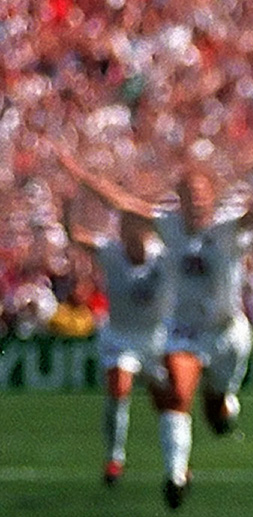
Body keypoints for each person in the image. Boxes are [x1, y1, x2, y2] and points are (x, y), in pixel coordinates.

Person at [53, 141, 253, 509]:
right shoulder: (168, 227)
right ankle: (176, 476)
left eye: (201, 195)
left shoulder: (228, 228)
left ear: (211, 198)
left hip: (227, 333)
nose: (195, 202)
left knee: (215, 411)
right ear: (180, 200)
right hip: (186, 332)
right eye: (189, 195)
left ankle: (224, 404)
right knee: (177, 395)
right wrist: (80, 175)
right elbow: (122, 203)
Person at [58, 193, 172, 486]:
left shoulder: (163, 255)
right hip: (120, 336)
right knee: (119, 388)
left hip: (156, 338)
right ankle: (114, 458)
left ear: (144, 231)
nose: (126, 235)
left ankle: (175, 461)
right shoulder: (110, 252)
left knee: (168, 402)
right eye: (123, 228)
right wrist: (68, 207)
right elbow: (76, 236)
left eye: (133, 228)